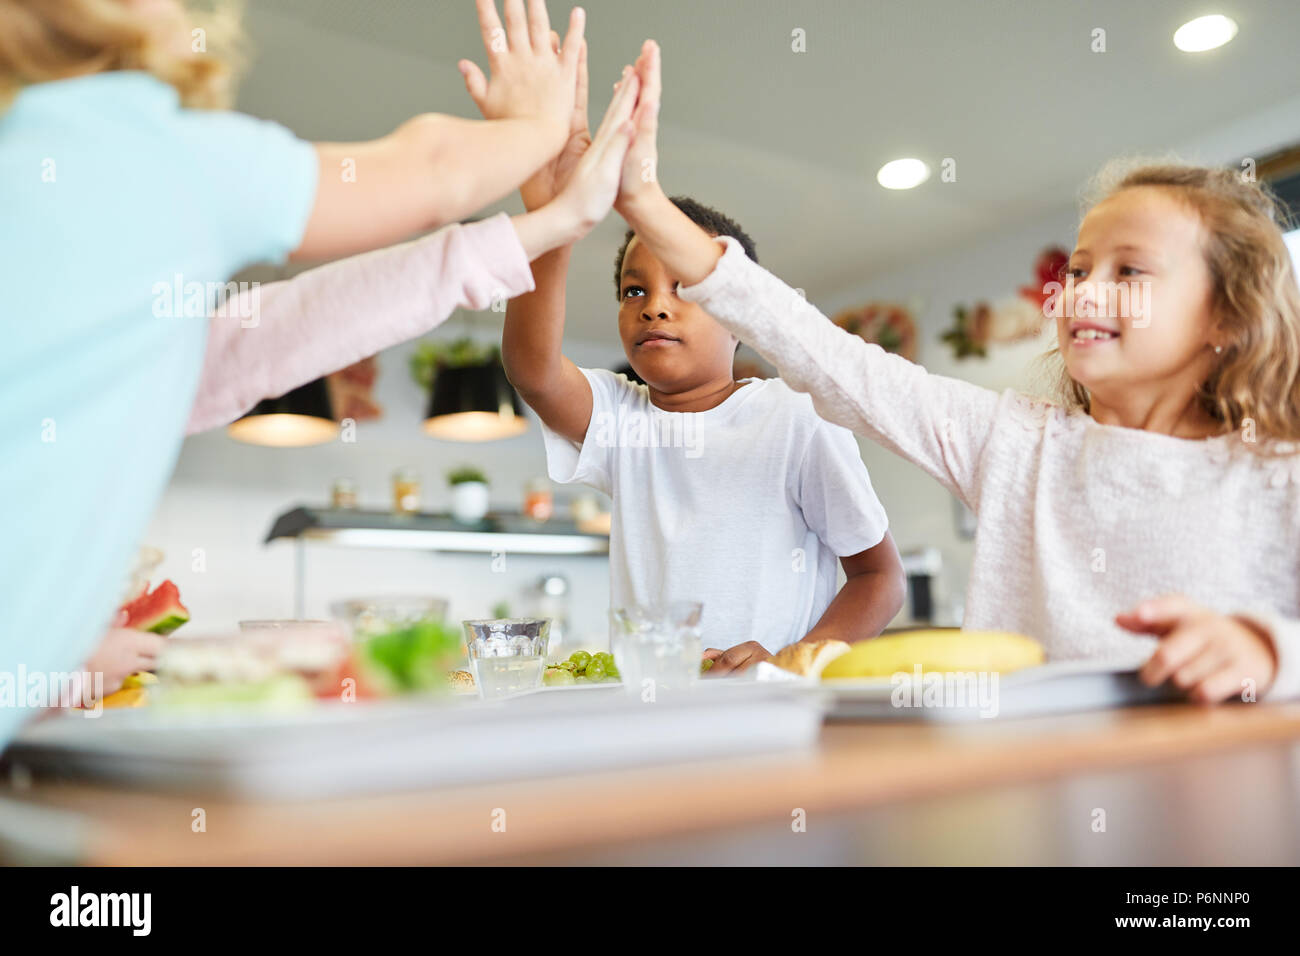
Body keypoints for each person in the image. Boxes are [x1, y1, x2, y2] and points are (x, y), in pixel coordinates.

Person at [0, 0, 642, 729]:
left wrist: (549, 226)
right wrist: (539, 129)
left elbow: (252, 345)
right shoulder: (136, 143)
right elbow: (429, 171)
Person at [615, 42, 1300, 702]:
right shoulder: (1018, 447)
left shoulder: (1278, 475)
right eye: (1080, 268)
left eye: (1130, 271)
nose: (1085, 289)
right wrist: (644, 202)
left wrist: (1267, 649)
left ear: (1228, 318)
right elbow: (828, 358)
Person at [477, 36, 906, 675]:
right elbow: (533, 370)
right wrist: (553, 217)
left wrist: (793, 663)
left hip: (771, 723)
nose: (654, 306)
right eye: (633, 290)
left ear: (741, 312)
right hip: (654, 716)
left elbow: (879, 579)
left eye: (686, 288)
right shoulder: (623, 418)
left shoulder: (794, 417)